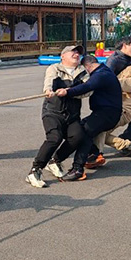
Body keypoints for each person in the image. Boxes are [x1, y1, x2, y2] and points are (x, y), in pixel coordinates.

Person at [52, 55, 123, 180]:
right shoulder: (104, 71)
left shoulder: (101, 75)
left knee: (83, 132)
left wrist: (67, 92)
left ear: (87, 66)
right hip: (104, 112)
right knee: (78, 129)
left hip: (107, 113)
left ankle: (77, 168)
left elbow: (87, 86)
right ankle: (93, 154)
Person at [26, 45, 88, 187]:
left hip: (72, 114)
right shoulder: (54, 68)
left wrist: (70, 92)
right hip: (53, 111)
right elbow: (49, 81)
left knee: (78, 136)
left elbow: (87, 91)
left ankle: (55, 161)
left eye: (78, 53)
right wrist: (48, 90)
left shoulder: (83, 72)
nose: (76, 54)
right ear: (63, 56)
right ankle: (35, 170)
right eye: (73, 51)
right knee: (54, 138)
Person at [93, 50, 131, 157]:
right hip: (115, 105)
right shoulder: (130, 69)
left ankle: (99, 154)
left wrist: (97, 80)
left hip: (124, 111)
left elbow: (119, 83)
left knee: (99, 129)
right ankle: (126, 143)